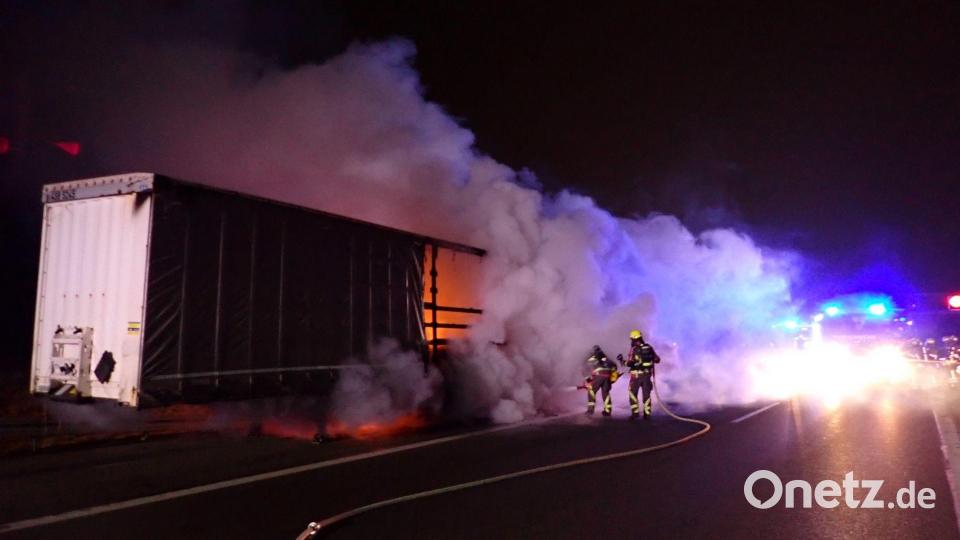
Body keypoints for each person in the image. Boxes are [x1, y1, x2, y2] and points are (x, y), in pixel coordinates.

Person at [619, 330, 660, 420]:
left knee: (633, 393)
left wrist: (621, 361)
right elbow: (657, 359)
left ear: (634, 339)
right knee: (646, 394)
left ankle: (635, 413)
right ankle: (647, 413)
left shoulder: (634, 349)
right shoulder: (649, 347)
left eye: (631, 339)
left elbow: (630, 363)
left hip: (636, 376)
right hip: (647, 375)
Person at [584, 345, 617, 416]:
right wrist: (612, 377)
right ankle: (608, 411)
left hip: (599, 375)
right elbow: (614, 366)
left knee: (591, 390)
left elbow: (585, 369)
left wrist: (587, 379)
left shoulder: (592, 358)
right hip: (607, 376)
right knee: (605, 393)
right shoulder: (607, 358)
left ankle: (590, 410)